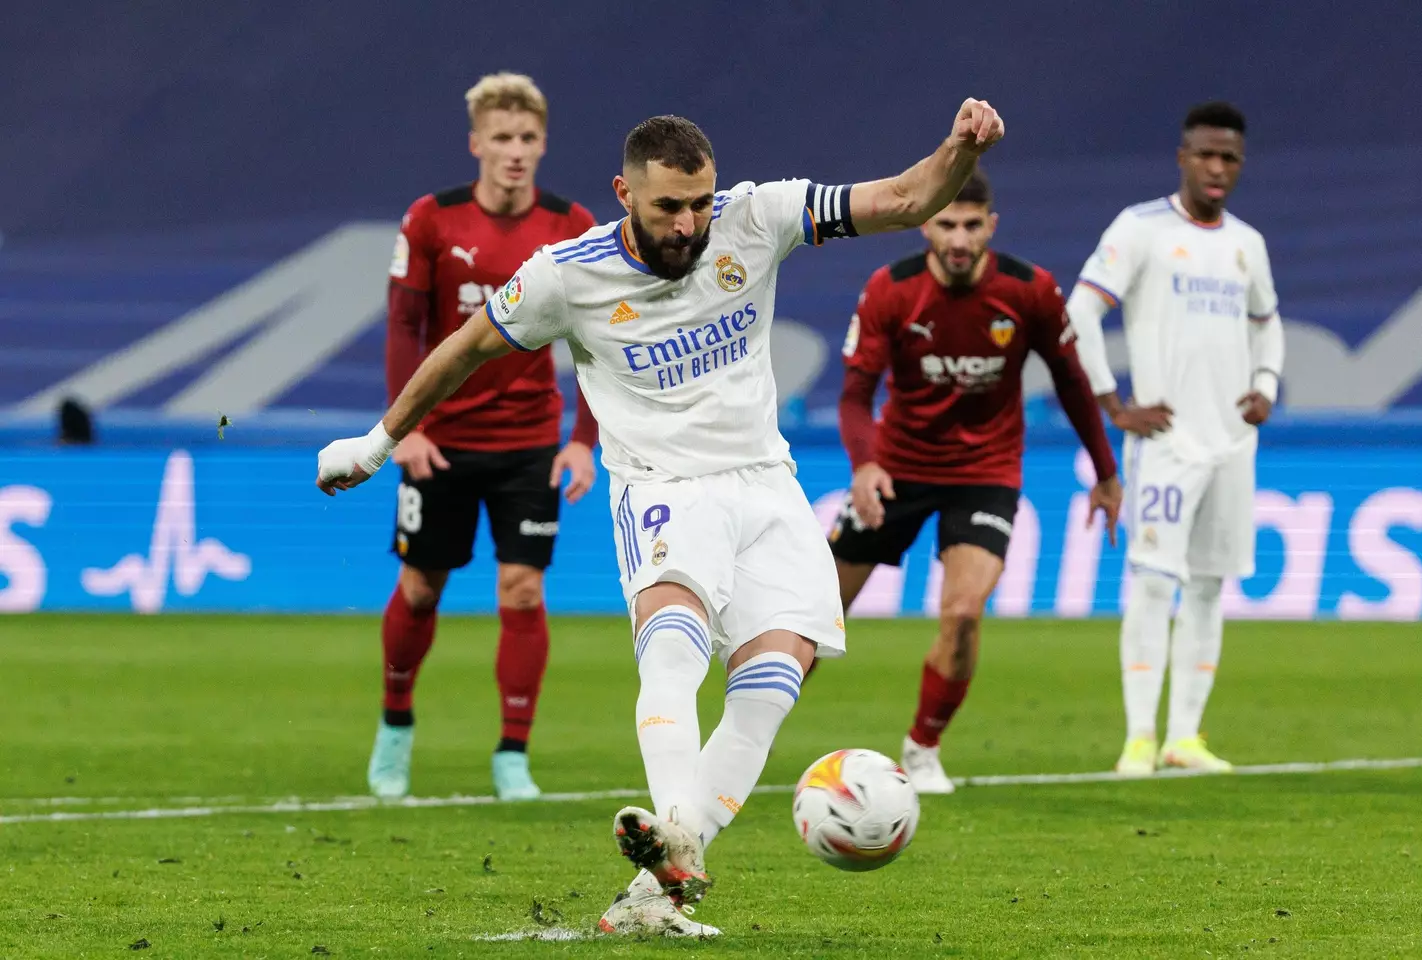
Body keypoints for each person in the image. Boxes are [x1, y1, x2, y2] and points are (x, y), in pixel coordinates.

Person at [317, 98, 1005, 937]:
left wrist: (960, 148)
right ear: (624, 195)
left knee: (773, 682)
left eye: (699, 203)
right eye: (667, 207)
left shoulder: (758, 217)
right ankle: (674, 836)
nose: (688, 224)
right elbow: (466, 346)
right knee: (674, 643)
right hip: (661, 486)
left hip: (767, 485)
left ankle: (661, 885)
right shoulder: (566, 274)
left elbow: (904, 199)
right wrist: (379, 441)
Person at [829, 166, 1121, 794]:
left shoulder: (1031, 291)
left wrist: (1106, 471)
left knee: (962, 612)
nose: (957, 240)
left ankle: (922, 748)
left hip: (985, 473)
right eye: (944, 224)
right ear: (925, 221)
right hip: (898, 468)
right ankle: (743, 737)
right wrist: (865, 465)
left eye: (970, 225)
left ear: (991, 224)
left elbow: (1072, 383)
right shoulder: (890, 289)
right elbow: (854, 397)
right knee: (814, 614)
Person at [371, 72, 599, 803]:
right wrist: (402, 429)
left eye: (528, 139)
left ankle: (511, 754)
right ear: (476, 144)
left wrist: (582, 439)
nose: (515, 152)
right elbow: (405, 327)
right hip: (439, 442)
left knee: (524, 591)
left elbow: (601, 338)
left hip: (529, 443)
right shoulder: (431, 222)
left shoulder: (571, 227)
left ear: (543, 145)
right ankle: (395, 727)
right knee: (421, 585)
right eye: (502, 138)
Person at [1064, 101, 1285, 777]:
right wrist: (1112, 403)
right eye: (1207, 155)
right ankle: (1137, 738)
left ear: (1239, 166)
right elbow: (1080, 310)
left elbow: (1268, 321)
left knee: (1211, 587)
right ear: (1183, 158)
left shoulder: (1247, 242)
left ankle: (1184, 738)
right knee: (1155, 584)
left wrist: (1267, 383)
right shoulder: (1142, 228)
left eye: (1230, 159)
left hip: (1231, 445)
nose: (1218, 168)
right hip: (1165, 443)